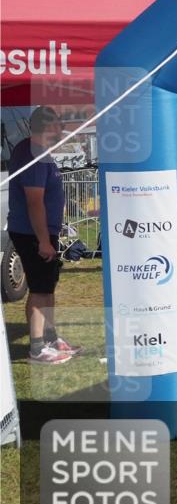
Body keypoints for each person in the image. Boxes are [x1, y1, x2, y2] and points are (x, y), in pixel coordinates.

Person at [6, 107, 82, 364]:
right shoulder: (33, 153)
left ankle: (50, 338)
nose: (61, 131)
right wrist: (43, 241)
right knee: (39, 289)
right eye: (58, 126)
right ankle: (37, 348)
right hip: (32, 233)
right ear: (47, 127)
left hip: (42, 233)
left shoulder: (39, 152)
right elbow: (34, 202)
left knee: (47, 287)